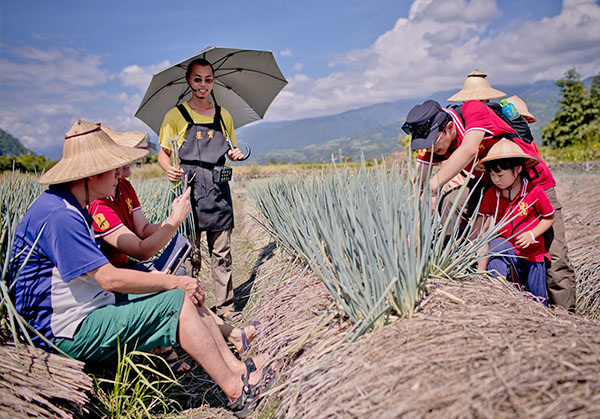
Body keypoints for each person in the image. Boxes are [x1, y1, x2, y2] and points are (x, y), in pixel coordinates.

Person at [9, 120, 274, 415]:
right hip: (63, 331)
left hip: (88, 308)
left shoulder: (69, 204)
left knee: (181, 294)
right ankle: (238, 391)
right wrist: (172, 282)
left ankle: (238, 368)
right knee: (177, 300)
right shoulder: (61, 216)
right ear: (94, 173)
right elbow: (108, 278)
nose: (121, 175)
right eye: (114, 168)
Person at [89, 133, 259, 362]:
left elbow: (143, 229)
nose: (127, 167)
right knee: (179, 290)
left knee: (181, 286)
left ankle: (233, 337)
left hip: (128, 267)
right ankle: (232, 338)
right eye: (123, 162)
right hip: (116, 278)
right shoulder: (99, 205)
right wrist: (175, 221)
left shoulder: (125, 188)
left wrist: (173, 218)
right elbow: (140, 249)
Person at [403, 98, 576, 310]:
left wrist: (433, 187)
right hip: (490, 184)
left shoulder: (472, 110)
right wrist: (411, 236)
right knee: (451, 201)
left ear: (448, 128)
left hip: (532, 183)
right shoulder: (432, 142)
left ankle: (566, 317)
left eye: (433, 142)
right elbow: (418, 188)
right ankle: (465, 270)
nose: (430, 148)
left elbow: (468, 149)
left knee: (555, 256)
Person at [157, 58, 244, 322]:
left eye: (208, 79)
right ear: (188, 81)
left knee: (221, 252)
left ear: (213, 81)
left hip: (218, 188)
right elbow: (163, 153)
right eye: (197, 79)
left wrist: (236, 154)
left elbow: (229, 147)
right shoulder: (175, 116)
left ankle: (226, 306)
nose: (202, 85)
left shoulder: (223, 115)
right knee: (190, 253)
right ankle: (191, 307)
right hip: (189, 189)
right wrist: (167, 169)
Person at [474, 139, 555, 305]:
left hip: (532, 253)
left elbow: (549, 217)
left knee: (537, 299)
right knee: (496, 244)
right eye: (492, 175)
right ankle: (499, 289)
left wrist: (532, 234)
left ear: (517, 169)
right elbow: (481, 228)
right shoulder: (492, 194)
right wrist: (479, 270)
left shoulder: (534, 191)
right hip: (507, 247)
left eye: (500, 175)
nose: (496, 180)